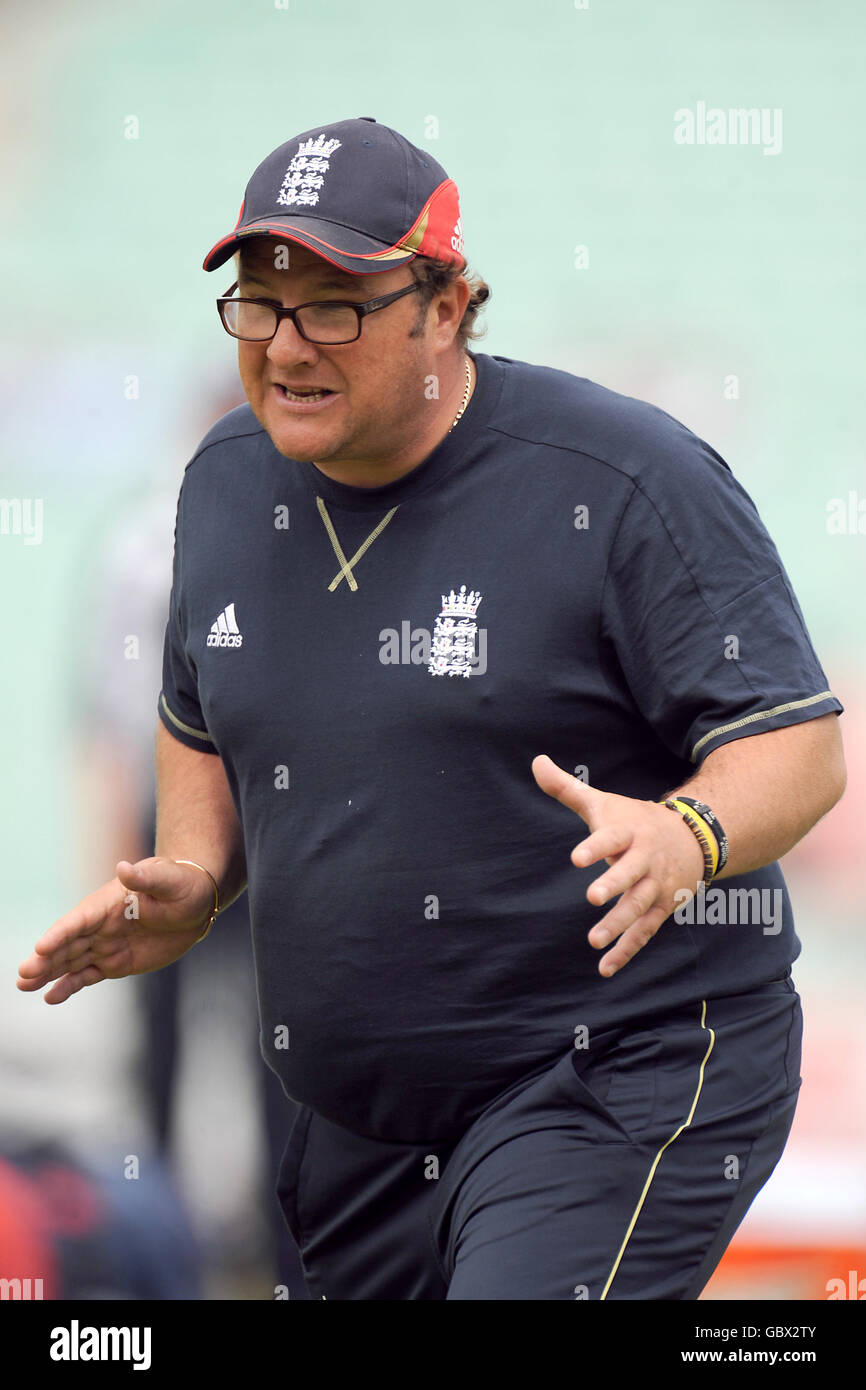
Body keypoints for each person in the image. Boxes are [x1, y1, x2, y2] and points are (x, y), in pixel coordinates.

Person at [18, 116, 846, 1301]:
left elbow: (799, 742)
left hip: (605, 1071)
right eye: (260, 301)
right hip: (357, 1119)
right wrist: (197, 873)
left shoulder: (621, 478)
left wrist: (686, 835)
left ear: (446, 306)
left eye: (336, 304)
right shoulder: (221, 478)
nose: (288, 344)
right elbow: (198, 710)